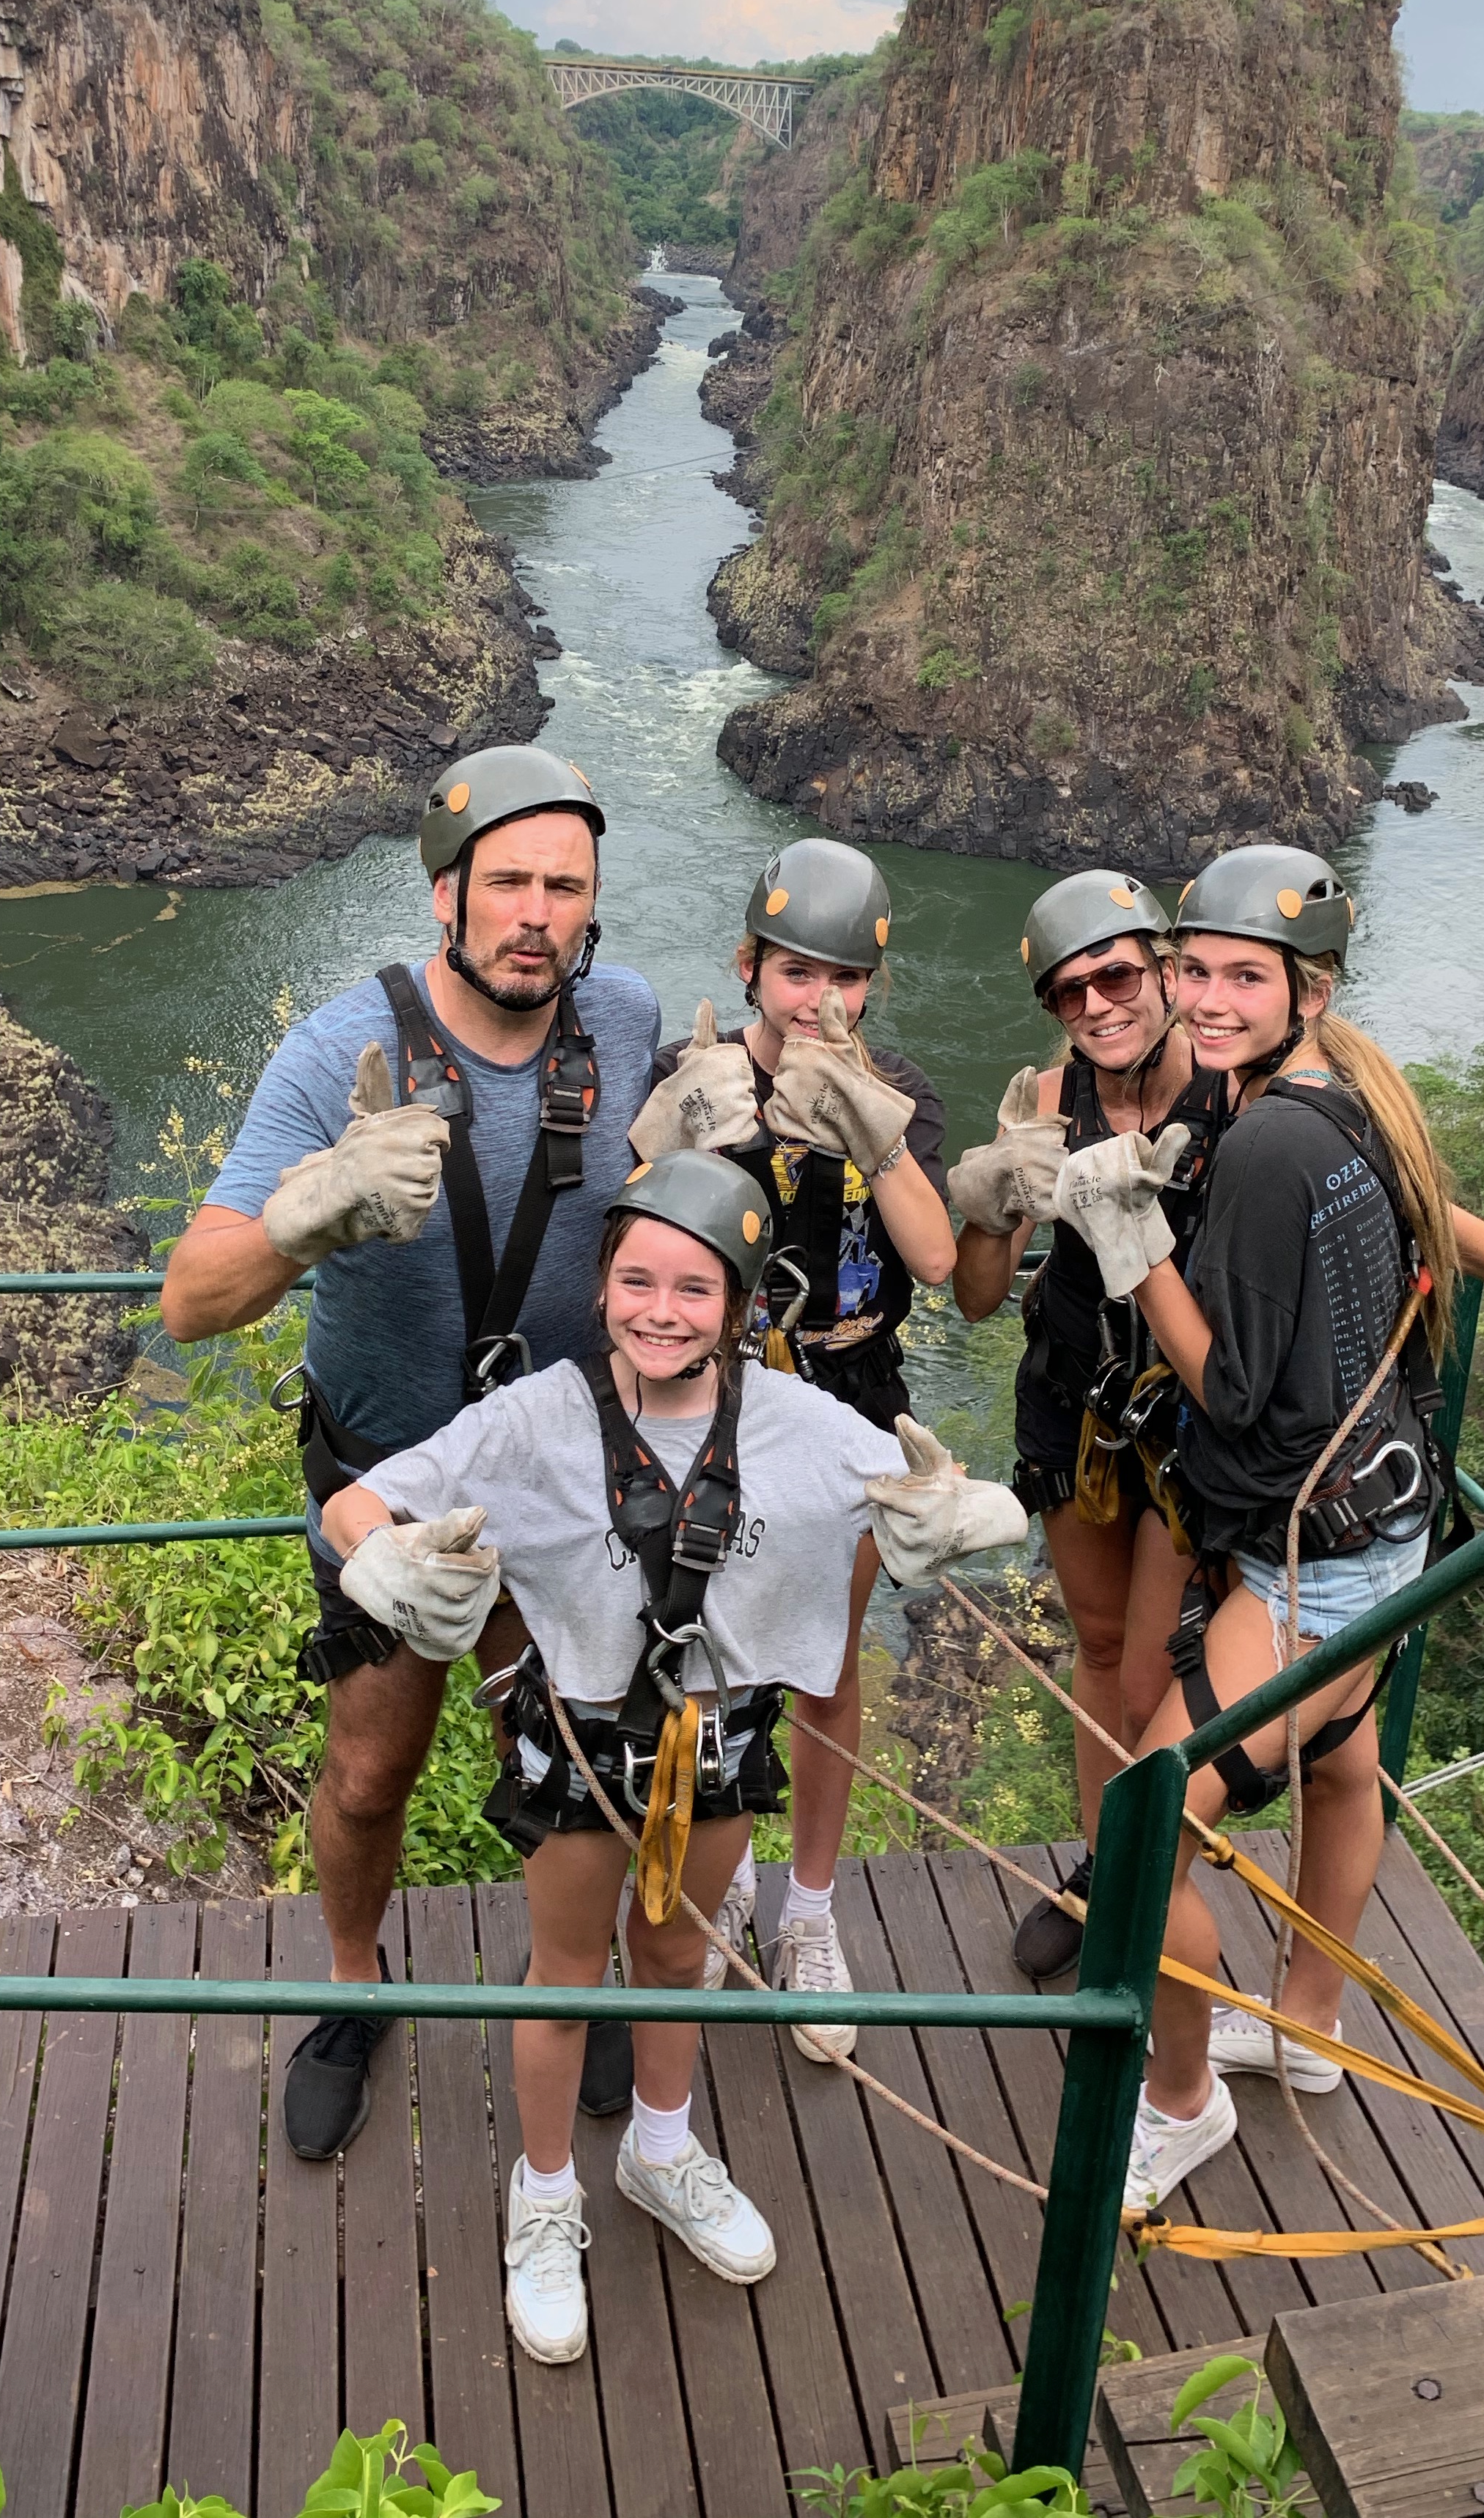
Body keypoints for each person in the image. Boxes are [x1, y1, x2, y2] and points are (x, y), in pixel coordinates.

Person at [314, 1150, 1023, 2365]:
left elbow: (921, 1483)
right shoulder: (535, 1419)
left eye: (695, 1290)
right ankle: (546, 2197)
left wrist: (956, 1509)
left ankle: (661, 2145)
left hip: (720, 1743)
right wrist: (382, 1554)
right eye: (637, 1282)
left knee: (679, 1956)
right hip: (581, 1750)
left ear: (740, 1307)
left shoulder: (799, 1424)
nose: (661, 1312)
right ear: (599, 1289)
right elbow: (362, 1498)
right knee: (566, 1973)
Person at [1042, 843, 1484, 2213]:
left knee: (1143, 1839)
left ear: (1308, 992)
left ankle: (1181, 2101)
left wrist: (1135, 1250)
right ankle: (1311, 2027)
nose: (1208, 1000)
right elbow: (1424, 1213)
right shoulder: (1347, 1098)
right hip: (1389, 1517)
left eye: (1243, 978)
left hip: (1309, 1561)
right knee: (1343, 1769)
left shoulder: (1268, 1142)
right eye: (1197, 971)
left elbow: (1232, 1393)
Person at [160, 744, 663, 2161]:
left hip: (560, 1478)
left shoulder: (624, 1024)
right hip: (384, 1483)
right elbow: (191, 1301)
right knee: (372, 1771)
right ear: (446, 893)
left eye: (565, 887)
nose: (535, 916)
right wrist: (309, 1210)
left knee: (567, 1756)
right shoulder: (340, 1055)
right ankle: (351, 1984)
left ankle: (572, 1974)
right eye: (507, 882)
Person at [625, 837, 959, 2060]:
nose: (821, 999)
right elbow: (631, 1241)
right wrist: (680, 1136)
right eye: (797, 971)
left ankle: (808, 1910)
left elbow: (935, 1259)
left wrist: (875, 1136)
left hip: (849, 1394)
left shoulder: (900, 1091)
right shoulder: (694, 1073)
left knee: (823, 1666)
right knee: (710, 1658)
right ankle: (725, 1884)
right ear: (750, 966)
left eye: (846, 977)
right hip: (716, 1398)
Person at [946, 871, 1230, 1980]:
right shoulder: (1046, 1097)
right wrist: (992, 1203)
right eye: (1070, 993)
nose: (1097, 1005)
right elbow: (977, 1296)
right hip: (1077, 1402)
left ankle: (1141, 1890)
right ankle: (1103, 1869)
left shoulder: (1233, 1091)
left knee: (1153, 1680)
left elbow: (1385, 1184)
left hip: (1187, 1414)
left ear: (1164, 970)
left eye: (1115, 977)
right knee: (1099, 1651)